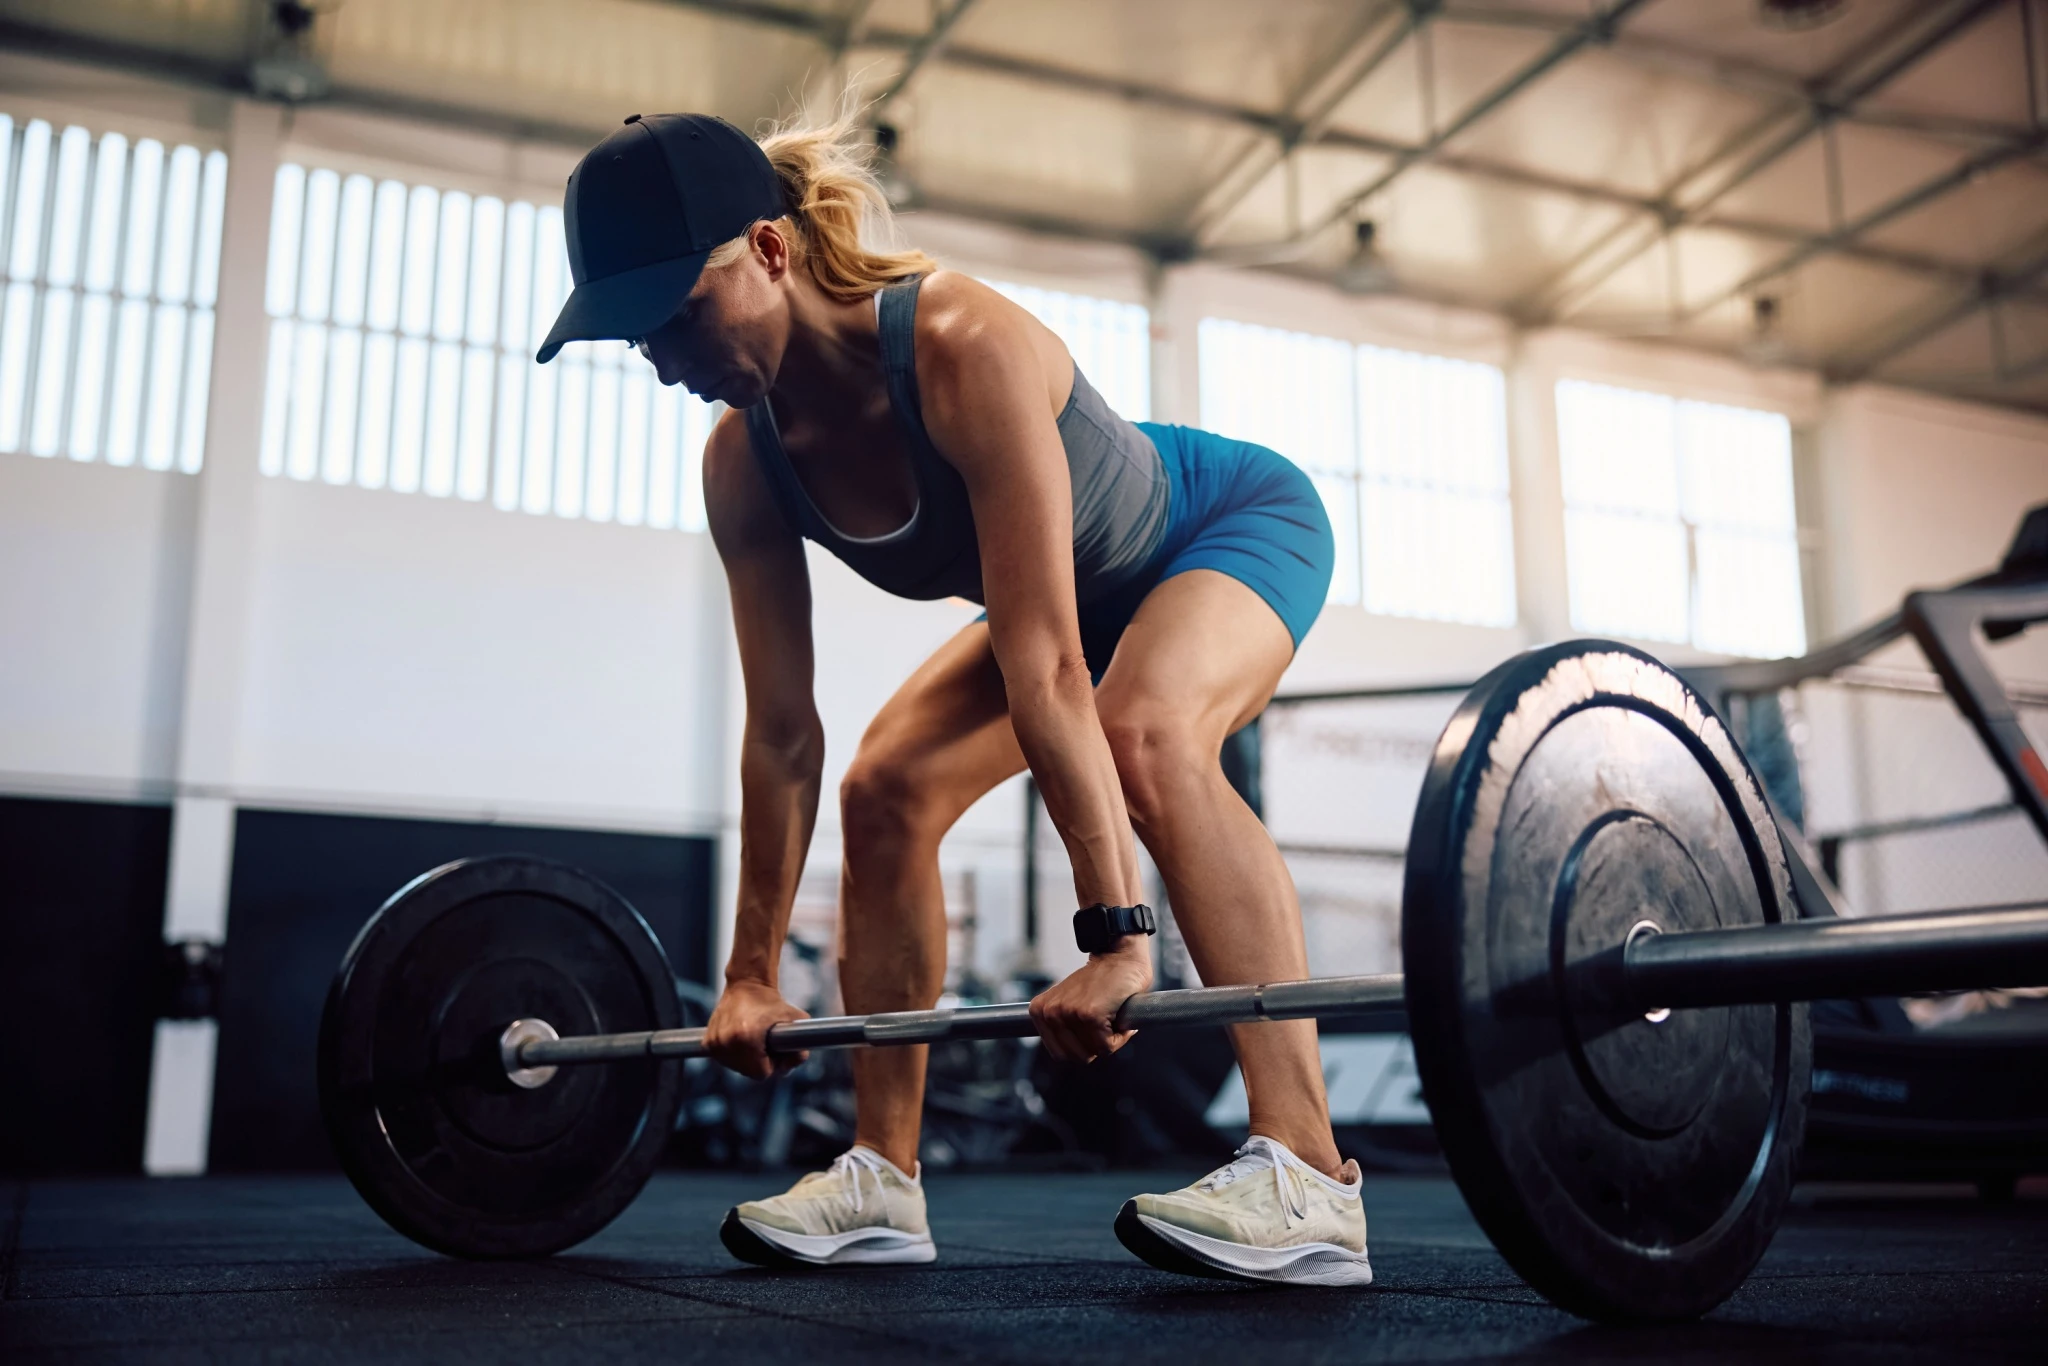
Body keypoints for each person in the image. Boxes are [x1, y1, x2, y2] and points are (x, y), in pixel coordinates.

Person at [536, 108, 1371, 1287]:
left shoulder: (957, 341)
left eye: (677, 311)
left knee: (1145, 731)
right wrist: (749, 971)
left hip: (1219, 528)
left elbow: (1047, 667)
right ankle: (883, 1175)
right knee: (885, 786)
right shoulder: (742, 464)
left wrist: (1116, 939)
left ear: (770, 252)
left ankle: (1308, 1167)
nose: (660, 352)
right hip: (1069, 611)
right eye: (633, 333)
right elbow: (782, 734)